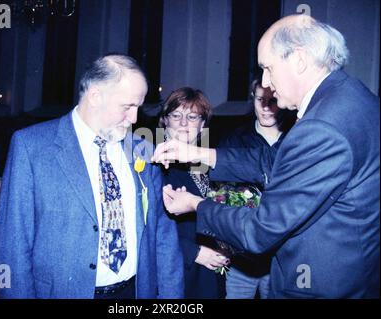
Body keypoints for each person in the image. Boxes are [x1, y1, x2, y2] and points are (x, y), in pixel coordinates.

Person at [153, 14, 379, 298]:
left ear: (298, 59)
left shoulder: (322, 124)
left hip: (321, 285)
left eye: (268, 68)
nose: (266, 82)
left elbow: (260, 231)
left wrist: (197, 205)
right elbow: (271, 163)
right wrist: (197, 153)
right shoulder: (354, 98)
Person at [0, 54, 184, 299]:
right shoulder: (31, 147)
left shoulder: (142, 150)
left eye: (138, 107)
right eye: (127, 106)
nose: (135, 119)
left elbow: (163, 235)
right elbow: (13, 244)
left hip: (133, 293)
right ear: (95, 96)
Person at [218, 77, 295, 299]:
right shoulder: (234, 140)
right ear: (252, 99)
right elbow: (220, 194)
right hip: (243, 254)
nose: (266, 108)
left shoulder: (295, 138)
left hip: (283, 255)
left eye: (272, 100)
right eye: (260, 99)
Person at [158, 87, 227, 299]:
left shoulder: (208, 165)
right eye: (176, 115)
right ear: (165, 122)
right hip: (180, 273)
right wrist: (195, 253)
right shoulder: (155, 165)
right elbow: (149, 229)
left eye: (192, 116)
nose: (183, 123)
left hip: (211, 272)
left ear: (202, 124)